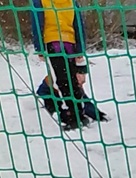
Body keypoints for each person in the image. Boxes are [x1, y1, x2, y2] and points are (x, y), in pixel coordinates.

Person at [30, 0, 91, 130]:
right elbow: (79, 26)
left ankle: (70, 115)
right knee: (71, 79)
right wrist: (80, 48)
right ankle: (79, 113)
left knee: (60, 81)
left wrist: (39, 47)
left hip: (53, 43)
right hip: (70, 43)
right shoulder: (71, 2)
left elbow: (37, 25)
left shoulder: (40, 2)